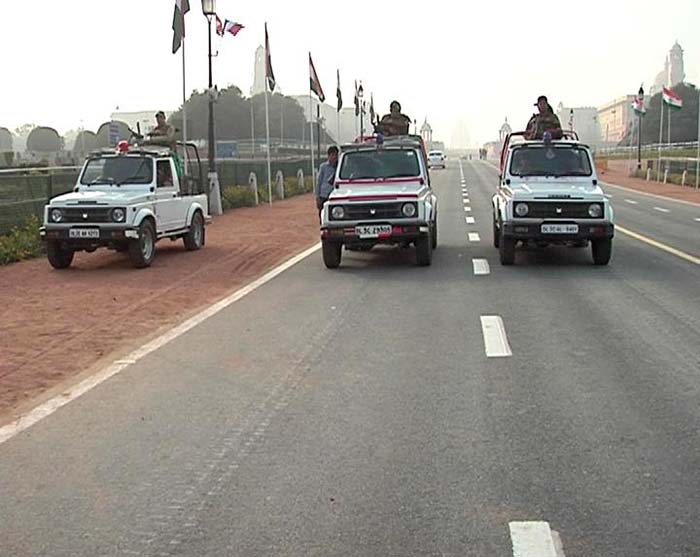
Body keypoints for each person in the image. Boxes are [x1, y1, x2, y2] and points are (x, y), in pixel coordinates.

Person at [315, 146, 339, 222]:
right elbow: (318, 182)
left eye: (336, 155)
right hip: (324, 196)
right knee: (322, 217)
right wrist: (317, 197)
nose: (335, 157)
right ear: (328, 156)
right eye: (333, 155)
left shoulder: (339, 167)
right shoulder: (323, 167)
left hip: (335, 196)